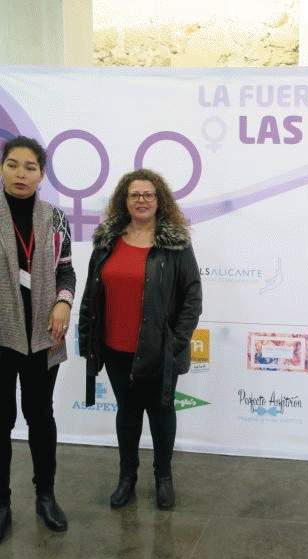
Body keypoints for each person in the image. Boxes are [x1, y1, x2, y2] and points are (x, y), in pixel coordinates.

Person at [79, 168, 202, 510]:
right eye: (135, 195)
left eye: (148, 194)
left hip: (160, 350)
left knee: (161, 412)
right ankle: (126, 478)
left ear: (159, 200)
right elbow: (91, 292)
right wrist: (87, 339)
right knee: (128, 412)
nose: (142, 200)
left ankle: (163, 478)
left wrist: (176, 341)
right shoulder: (107, 241)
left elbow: (192, 296)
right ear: (125, 200)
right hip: (115, 347)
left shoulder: (175, 243)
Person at [0, 136, 76, 541]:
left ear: (41, 175)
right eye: (13, 164)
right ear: (2, 168)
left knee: (40, 416)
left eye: (30, 167)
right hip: (1, 336)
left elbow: (67, 270)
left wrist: (63, 302)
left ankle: (45, 495)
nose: (21, 174)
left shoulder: (55, 217)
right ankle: (2, 502)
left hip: (44, 334)